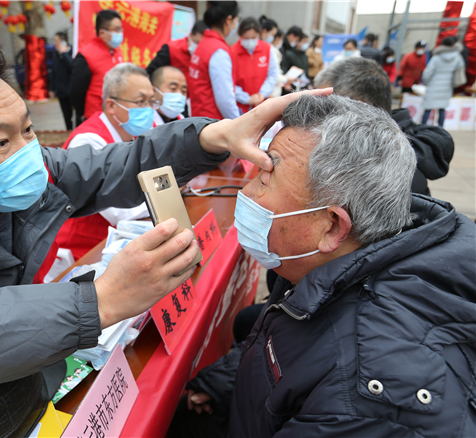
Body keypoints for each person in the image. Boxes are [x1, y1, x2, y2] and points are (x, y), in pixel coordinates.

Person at [0, 36, 322, 435]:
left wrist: (210, 138)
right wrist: (99, 300)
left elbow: (114, 165)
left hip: (18, 378)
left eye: (28, 130)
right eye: (0, 141)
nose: (28, 154)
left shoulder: (17, 175)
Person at [168, 93, 476, 438]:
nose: (247, 193)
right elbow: (291, 349)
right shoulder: (330, 263)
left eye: (264, 179)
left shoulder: (367, 403)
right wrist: (222, 382)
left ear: (331, 226)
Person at [57, 63, 157, 261]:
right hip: (83, 252)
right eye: (140, 102)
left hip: (115, 243)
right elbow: (122, 212)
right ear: (111, 106)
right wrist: (166, 188)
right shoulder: (88, 142)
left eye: (151, 102)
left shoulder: (132, 134)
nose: (148, 110)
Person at [314, 56, 454, 196]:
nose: (317, 114)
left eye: (325, 105)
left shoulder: (386, 171)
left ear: (359, 107)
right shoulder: (398, 147)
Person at [188, 1, 240, 119]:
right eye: (236, 20)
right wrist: (238, 122)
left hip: (199, 118)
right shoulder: (218, 51)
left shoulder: (204, 44)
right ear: (228, 20)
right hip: (213, 122)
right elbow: (225, 99)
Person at [70, 9, 123, 124]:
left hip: (116, 117)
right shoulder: (86, 55)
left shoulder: (116, 52)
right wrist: (82, 114)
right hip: (95, 119)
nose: (120, 34)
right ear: (102, 33)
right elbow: (76, 91)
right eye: (116, 30)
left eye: (121, 29)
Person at [231, 17, 278, 114]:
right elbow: (229, 83)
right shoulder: (232, 52)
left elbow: (272, 74)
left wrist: (262, 94)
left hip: (262, 103)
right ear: (240, 35)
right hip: (240, 107)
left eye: (253, 38)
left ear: (258, 35)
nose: (250, 41)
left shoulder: (267, 49)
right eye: (246, 38)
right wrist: (247, 99)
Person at [421, 37, 465, 127]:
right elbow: (460, 70)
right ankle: (440, 129)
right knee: (442, 109)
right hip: (447, 86)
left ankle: (422, 127)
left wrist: (426, 81)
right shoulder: (457, 57)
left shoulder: (436, 57)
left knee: (428, 109)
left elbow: (427, 72)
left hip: (433, 85)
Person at [49, 31, 73, 130]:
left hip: (72, 90)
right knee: (66, 114)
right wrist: (52, 88)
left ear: (63, 41)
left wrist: (64, 54)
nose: (55, 43)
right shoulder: (56, 54)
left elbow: (72, 67)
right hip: (61, 90)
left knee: (75, 114)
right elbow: (54, 73)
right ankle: (69, 130)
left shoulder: (72, 51)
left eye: (57, 41)